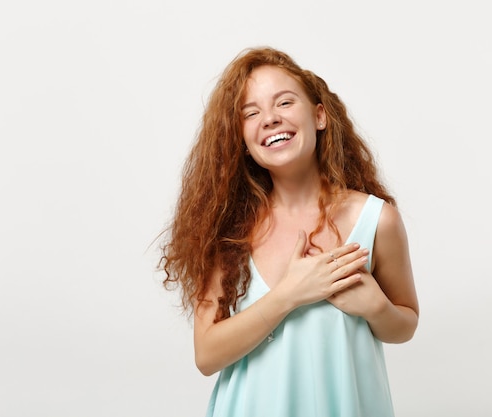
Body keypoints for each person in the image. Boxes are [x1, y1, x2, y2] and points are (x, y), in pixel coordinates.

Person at [159, 46, 419, 417]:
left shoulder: (378, 220)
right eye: (251, 112)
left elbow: (405, 324)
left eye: (284, 103)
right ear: (243, 143)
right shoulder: (230, 230)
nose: (269, 118)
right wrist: (289, 295)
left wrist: (377, 308)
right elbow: (207, 355)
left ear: (319, 116)